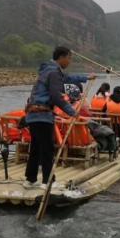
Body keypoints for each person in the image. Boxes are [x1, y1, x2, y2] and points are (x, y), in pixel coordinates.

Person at [24, 46, 78, 189]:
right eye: (69, 58)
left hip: (32, 115)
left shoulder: (47, 70)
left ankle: (30, 179)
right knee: (47, 149)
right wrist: (72, 111)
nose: (70, 61)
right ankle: (48, 181)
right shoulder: (54, 73)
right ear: (61, 57)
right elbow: (55, 96)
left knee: (35, 147)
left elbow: (68, 78)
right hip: (43, 115)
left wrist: (85, 78)